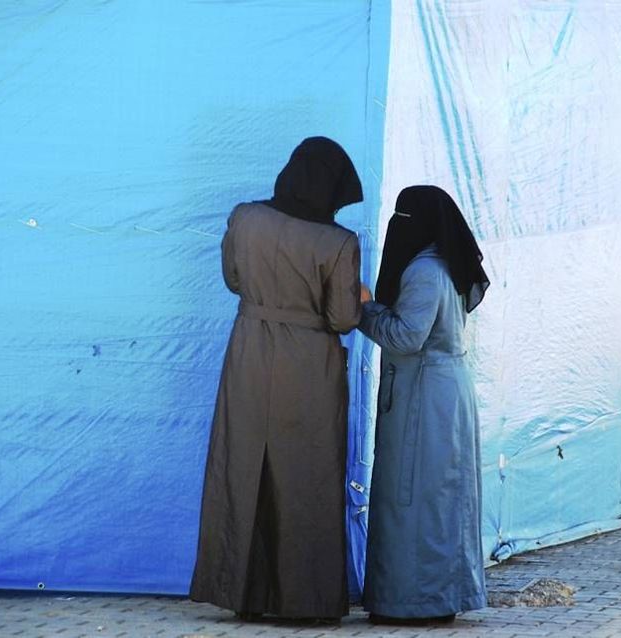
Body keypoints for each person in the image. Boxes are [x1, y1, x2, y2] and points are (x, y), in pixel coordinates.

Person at [189, 137, 364, 623]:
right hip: (308, 365)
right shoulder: (339, 243)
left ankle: (243, 592)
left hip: (248, 353)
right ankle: (303, 601)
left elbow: (233, 280)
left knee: (244, 467)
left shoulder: (245, 218)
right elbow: (343, 318)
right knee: (306, 476)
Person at [358, 185, 490, 624]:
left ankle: (415, 602)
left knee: (415, 497)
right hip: (440, 392)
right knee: (438, 498)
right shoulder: (444, 264)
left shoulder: (424, 272)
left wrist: (364, 309)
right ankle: (432, 597)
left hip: (426, 397)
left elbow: (405, 337)